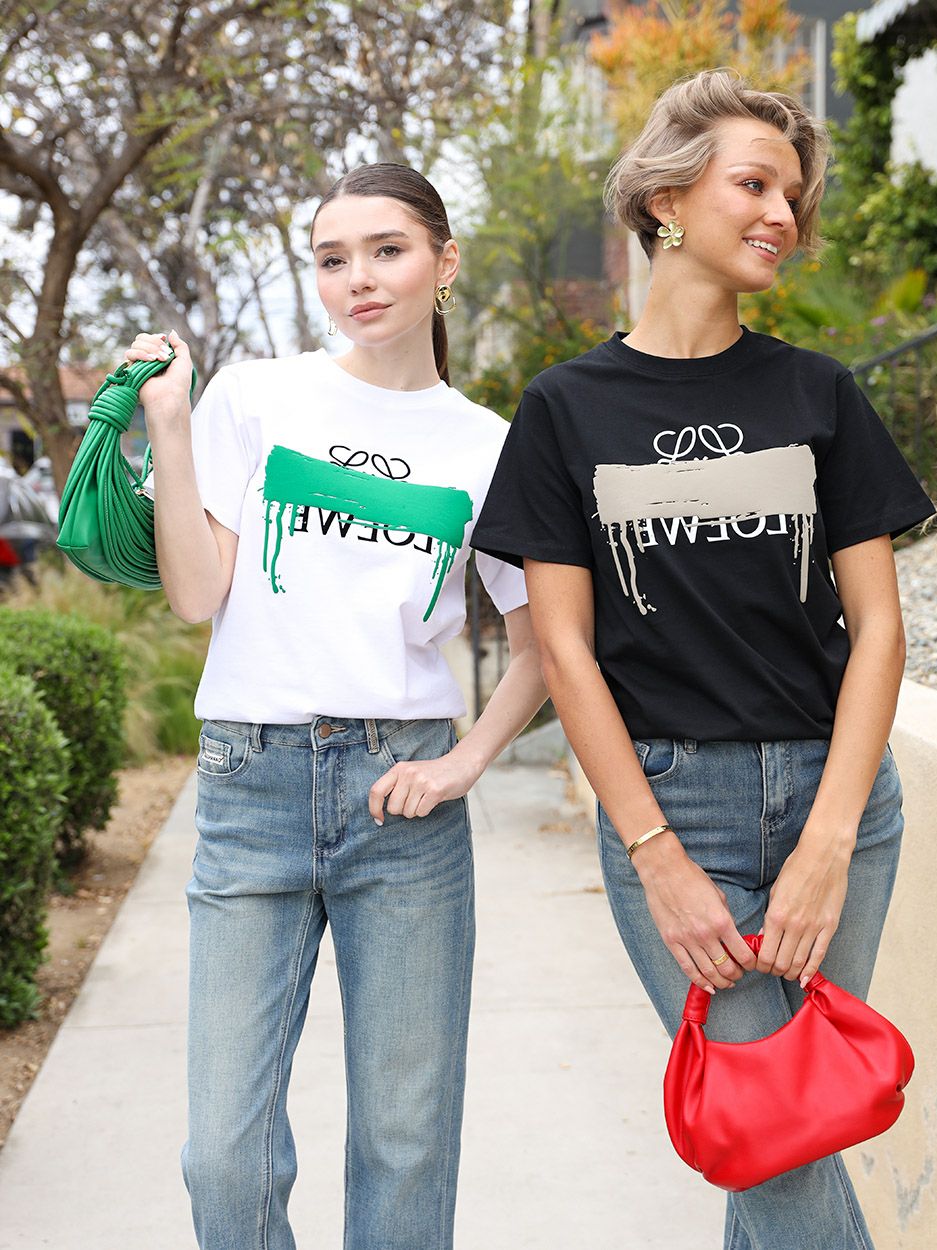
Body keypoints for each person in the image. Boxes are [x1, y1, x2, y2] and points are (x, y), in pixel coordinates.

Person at [472, 69, 935, 1249]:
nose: (783, 213)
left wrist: (829, 840)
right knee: (773, 1134)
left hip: (836, 796)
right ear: (666, 199)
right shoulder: (565, 408)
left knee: (786, 1129)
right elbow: (565, 650)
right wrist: (656, 855)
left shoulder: (818, 392)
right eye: (755, 184)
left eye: (793, 196)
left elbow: (878, 628)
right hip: (674, 806)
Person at [124, 163, 546, 1250]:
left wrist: (464, 760)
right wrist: (169, 425)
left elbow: (545, 644)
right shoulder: (254, 397)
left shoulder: (490, 445)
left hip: (403, 798)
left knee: (405, 1141)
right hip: (249, 784)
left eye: (387, 250)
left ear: (444, 262)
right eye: (331, 258)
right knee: (223, 1156)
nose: (358, 277)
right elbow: (197, 595)